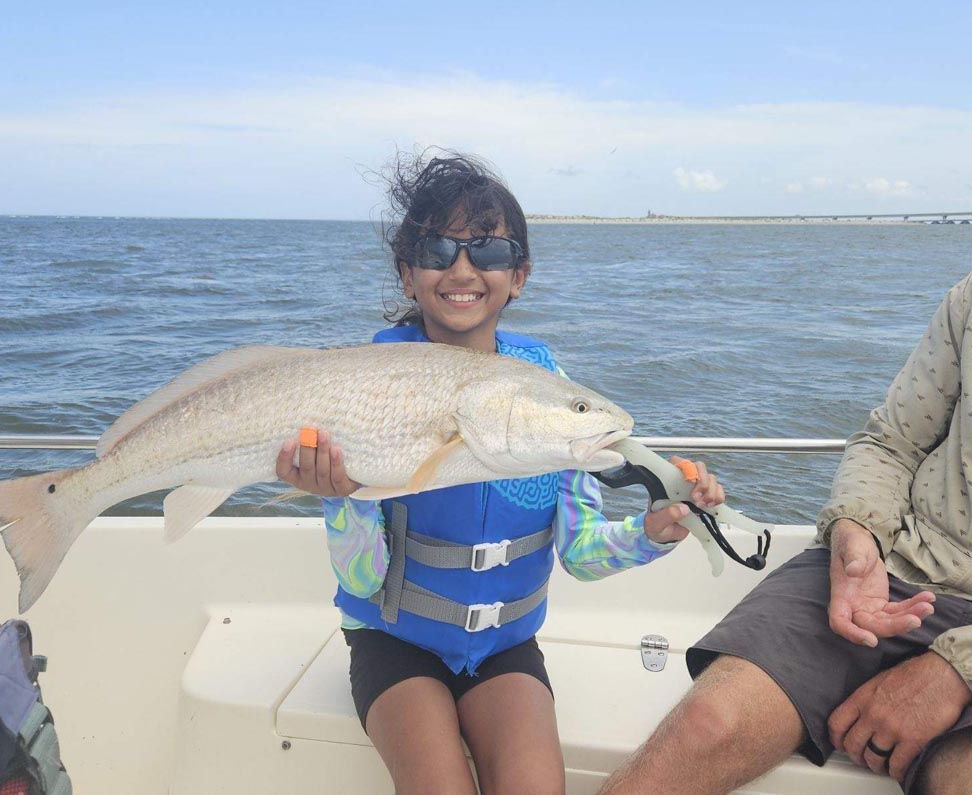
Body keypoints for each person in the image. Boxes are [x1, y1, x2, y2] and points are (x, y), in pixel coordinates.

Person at [273, 152, 726, 795]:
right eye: (437, 248)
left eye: (488, 251)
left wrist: (655, 532)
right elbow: (363, 577)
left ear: (518, 275)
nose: (463, 269)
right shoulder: (368, 388)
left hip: (505, 646)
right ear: (408, 274)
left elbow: (582, 553)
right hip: (393, 638)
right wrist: (340, 499)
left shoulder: (554, 399)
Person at [600, 274, 972, 795]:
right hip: (905, 560)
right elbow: (891, 442)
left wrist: (957, 667)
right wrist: (856, 532)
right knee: (708, 726)